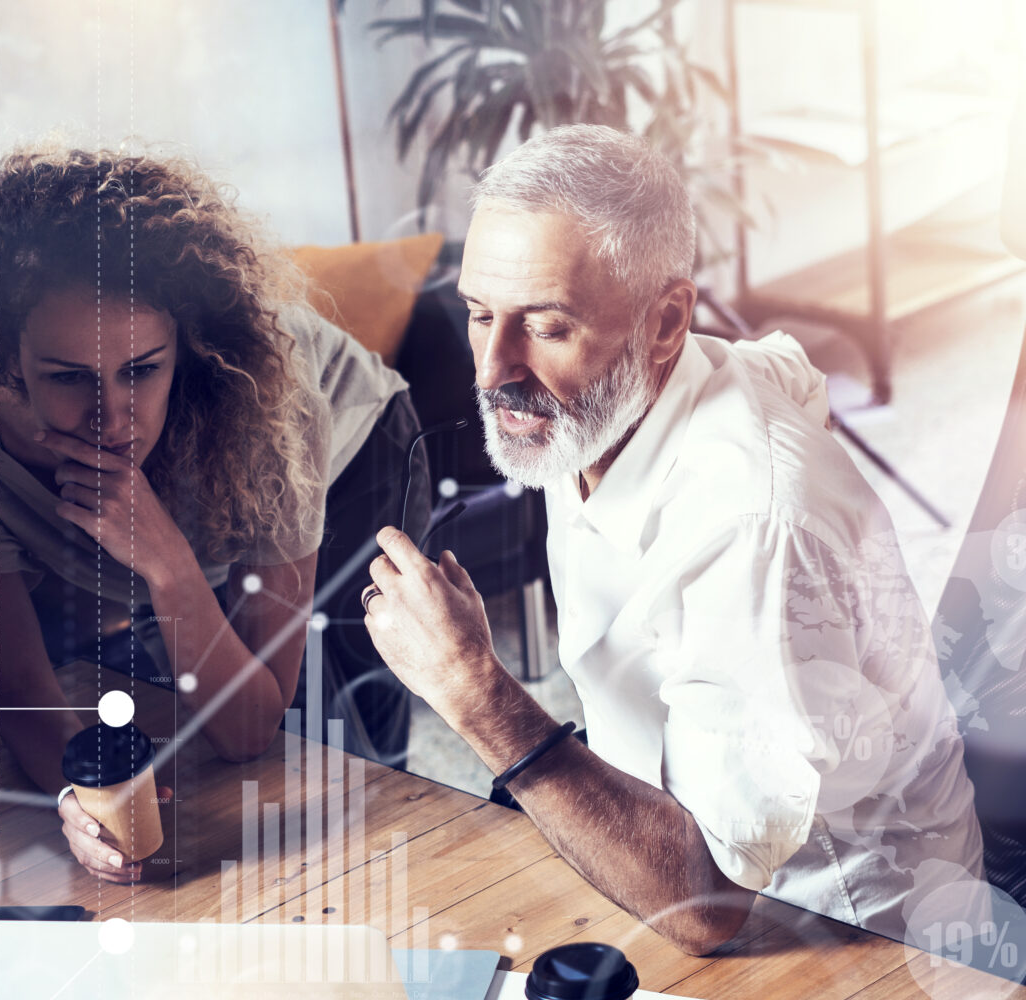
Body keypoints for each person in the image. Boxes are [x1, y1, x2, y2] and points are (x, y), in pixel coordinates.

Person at [360, 124, 983, 956]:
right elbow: (785, 369)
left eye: (545, 328)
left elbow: (703, 908)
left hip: (845, 944)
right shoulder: (598, 408)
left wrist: (473, 690)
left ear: (664, 323)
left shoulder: (749, 523)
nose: (490, 369)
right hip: (658, 858)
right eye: (479, 315)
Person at [0, 146, 428, 885]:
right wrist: (79, 801)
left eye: (142, 369)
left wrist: (168, 563)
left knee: (345, 751)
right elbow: (17, 684)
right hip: (181, 505)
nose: (111, 419)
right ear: (8, 362)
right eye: (67, 377)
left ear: (185, 350)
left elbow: (248, 729)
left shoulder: (272, 407)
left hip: (356, 455)